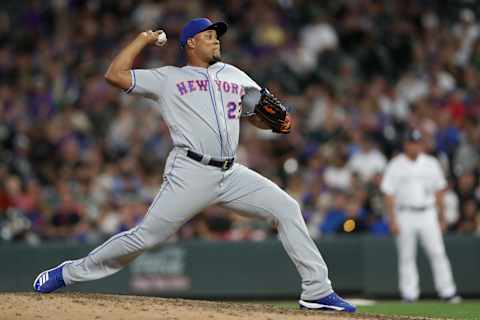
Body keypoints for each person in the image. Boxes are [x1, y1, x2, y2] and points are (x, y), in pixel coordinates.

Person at [33, 18, 355, 312]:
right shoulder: (169, 78)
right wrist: (144, 38)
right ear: (190, 43)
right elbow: (114, 75)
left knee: (287, 208)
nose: (216, 41)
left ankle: (316, 291)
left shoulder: (235, 74)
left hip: (231, 172)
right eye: (209, 36)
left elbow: (255, 115)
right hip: (190, 171)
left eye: (217, 37)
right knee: (145, 237)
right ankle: (69, 272)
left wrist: (271, 124)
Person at [380, 129, 461, 303]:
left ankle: (448, 291)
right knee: (406, 255)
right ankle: (409, 294)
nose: (414, 146)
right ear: (405, 145)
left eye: (417, 142)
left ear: (421, 144)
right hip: (404, 213)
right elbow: (388, 194)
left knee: (437, 252)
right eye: (411, 142)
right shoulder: (396, 164)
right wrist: (392, 219)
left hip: (428, 212)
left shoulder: (431, 163)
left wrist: (442, 217)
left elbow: (439, 191)